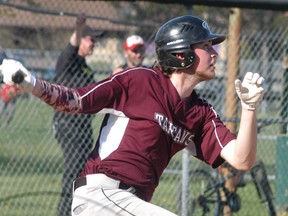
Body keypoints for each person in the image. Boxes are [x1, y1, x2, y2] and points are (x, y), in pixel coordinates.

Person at [0, 15, 265, 216]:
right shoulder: (139, 81)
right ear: (181, 54)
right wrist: (31, 83)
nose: (214, 53)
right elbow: (75, 100)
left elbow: (242, 160)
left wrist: (249, 108)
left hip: (131, 205)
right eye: (206, 46)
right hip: (100, 198)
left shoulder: (200, 113)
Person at [52, 15, 104, 216]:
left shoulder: (86, 68)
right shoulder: (68, 60)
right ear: (82, 39)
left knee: (85, 171)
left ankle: (79, 210)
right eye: (91, 39)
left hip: (84, 127)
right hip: (67, 124)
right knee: (74, 166)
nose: (94, 44)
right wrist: (78, 29)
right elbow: (71, 46)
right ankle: (64, 212)